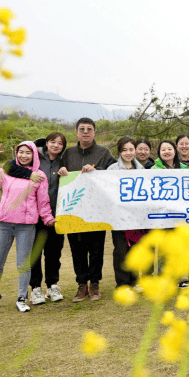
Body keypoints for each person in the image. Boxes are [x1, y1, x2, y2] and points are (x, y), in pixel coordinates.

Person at [0, 142, 56, 313]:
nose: (24, 156)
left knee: (23, 265)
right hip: (4, 225)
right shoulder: (6, 172)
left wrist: (48, 218)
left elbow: (43, 201)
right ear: (16, 153)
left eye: (28, 153)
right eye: (21, 152)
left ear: (34, 155)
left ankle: (22, 298)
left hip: (26, 227)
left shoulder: (39, 176)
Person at [58, 118, 116, 302]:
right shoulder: (68, 153)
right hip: (73, 210)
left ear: (94, 133)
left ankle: (95, 284)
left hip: (96, 210)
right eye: (81, 129)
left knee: (96, 249)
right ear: (76, 132)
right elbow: (58, 172)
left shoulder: (104, 152)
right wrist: (61, 171)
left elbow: (114, 174)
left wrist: (97, 169)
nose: (85, 132)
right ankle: (82, 284)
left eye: (89, 129)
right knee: (77, 249)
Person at [107, 136, 145, 289]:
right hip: (119, 217)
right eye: (124, 150)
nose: (128, 153)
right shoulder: (112, 169)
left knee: (135, 249)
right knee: (121, 250)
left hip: (136, 217)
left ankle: (135, 280)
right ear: (119, 152)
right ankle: (122, 283)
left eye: (131, 149)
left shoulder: (141, 169)